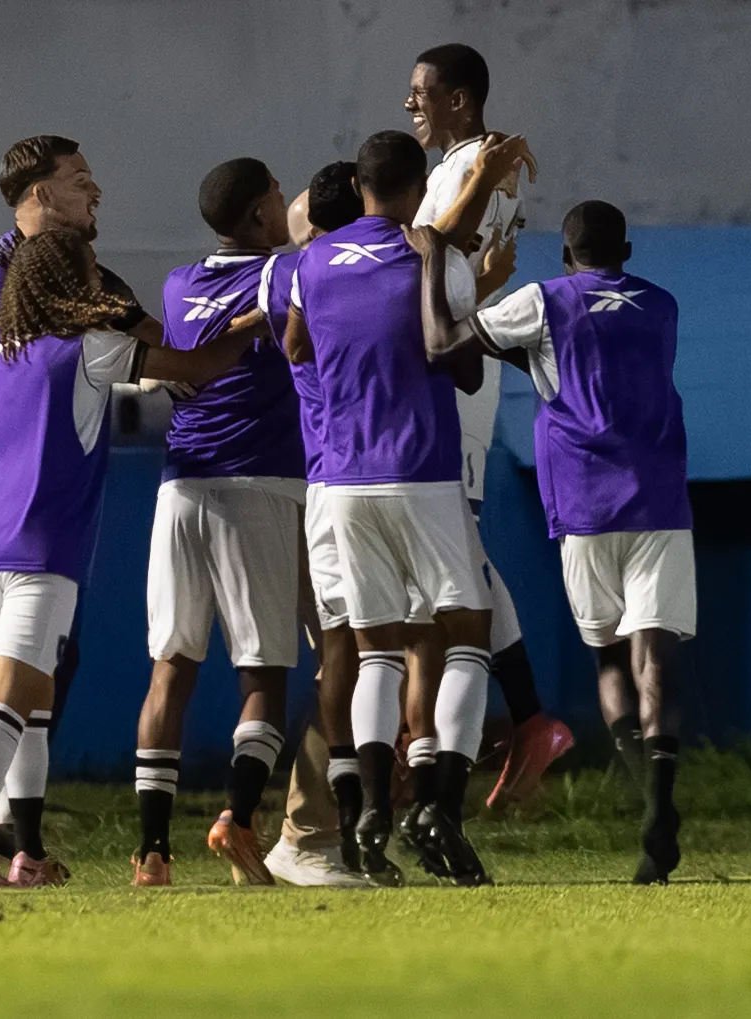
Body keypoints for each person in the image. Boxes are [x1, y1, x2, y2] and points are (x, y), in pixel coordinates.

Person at [0, 228, 266, 891]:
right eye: (87, 271)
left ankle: (25, 851)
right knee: (14, 690)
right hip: (42, 546)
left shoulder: (1, 344)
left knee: (36, 696)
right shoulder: (87, 349)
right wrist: (252, 323)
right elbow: (192, 371)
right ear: (68, 283)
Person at [414, 200, 696, 884]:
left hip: (583, 501)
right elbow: (592, 356)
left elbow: (446, 344)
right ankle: (662, 803)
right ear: (626, 250)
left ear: (566, 257)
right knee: (651, 653)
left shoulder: (545, 300)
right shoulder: (661, 306)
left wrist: (431, 262)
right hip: (658, 497)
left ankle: (645, 797)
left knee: (606, 660)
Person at [284, 130, 518, 887]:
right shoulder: (431, 258)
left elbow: (296, 347)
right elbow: (462, 360)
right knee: (467, 636)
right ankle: (439, 802)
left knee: (375, 649)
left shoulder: (308, 262)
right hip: (419, 466)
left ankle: (373, 809)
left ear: (357, 187)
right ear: (419, 186)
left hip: (343, 477)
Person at [0, 135, 160, 862]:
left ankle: (15, 829)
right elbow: (78, 332)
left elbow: (145, 333)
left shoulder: (88, 275)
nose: (96, 194)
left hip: (45, 478)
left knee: (54, 659)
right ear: (37, 195)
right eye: (81, 180)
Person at [406, 44, 574, 809]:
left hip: (453, 375)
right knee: (450, 561)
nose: (412, 106)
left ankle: (514, 718)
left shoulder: (469, 166)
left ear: (462, 102)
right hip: (458, 361)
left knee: (458, 556)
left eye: (423, 94)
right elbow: (458, 269)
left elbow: (423, 251)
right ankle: (510, 720)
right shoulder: (481, 163)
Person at [132, 158, 305, 888]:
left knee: (170, 670)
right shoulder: (283, 276)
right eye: (275, 193)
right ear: (263, 214)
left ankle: (150, 853)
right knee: (263, 673)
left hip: (179, 487)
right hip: (256, 484)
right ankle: (237, 816)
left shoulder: (178, 284)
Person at [257, 164, 371, 887]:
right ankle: (307, 833)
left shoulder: (307, 275)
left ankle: (333, 828)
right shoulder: (302, 276)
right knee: (348, 660)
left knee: (363, 661)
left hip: (346, 484)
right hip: (331, 489)